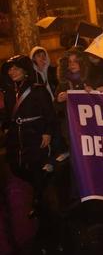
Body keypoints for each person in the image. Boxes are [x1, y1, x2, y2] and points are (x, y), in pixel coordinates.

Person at [1, 55, 57, 218]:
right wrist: (5, 126)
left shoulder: (37, 89)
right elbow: (8, 113)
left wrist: (47, 131)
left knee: (34, 167)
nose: (12, 72)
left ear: (26, 71)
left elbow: (50, 114)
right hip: (16, 137)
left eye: (16, 68)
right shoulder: (10, 92)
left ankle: (38, 201)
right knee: (16, 167)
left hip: (34, 134)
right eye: (10, 69)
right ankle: (38, 186)